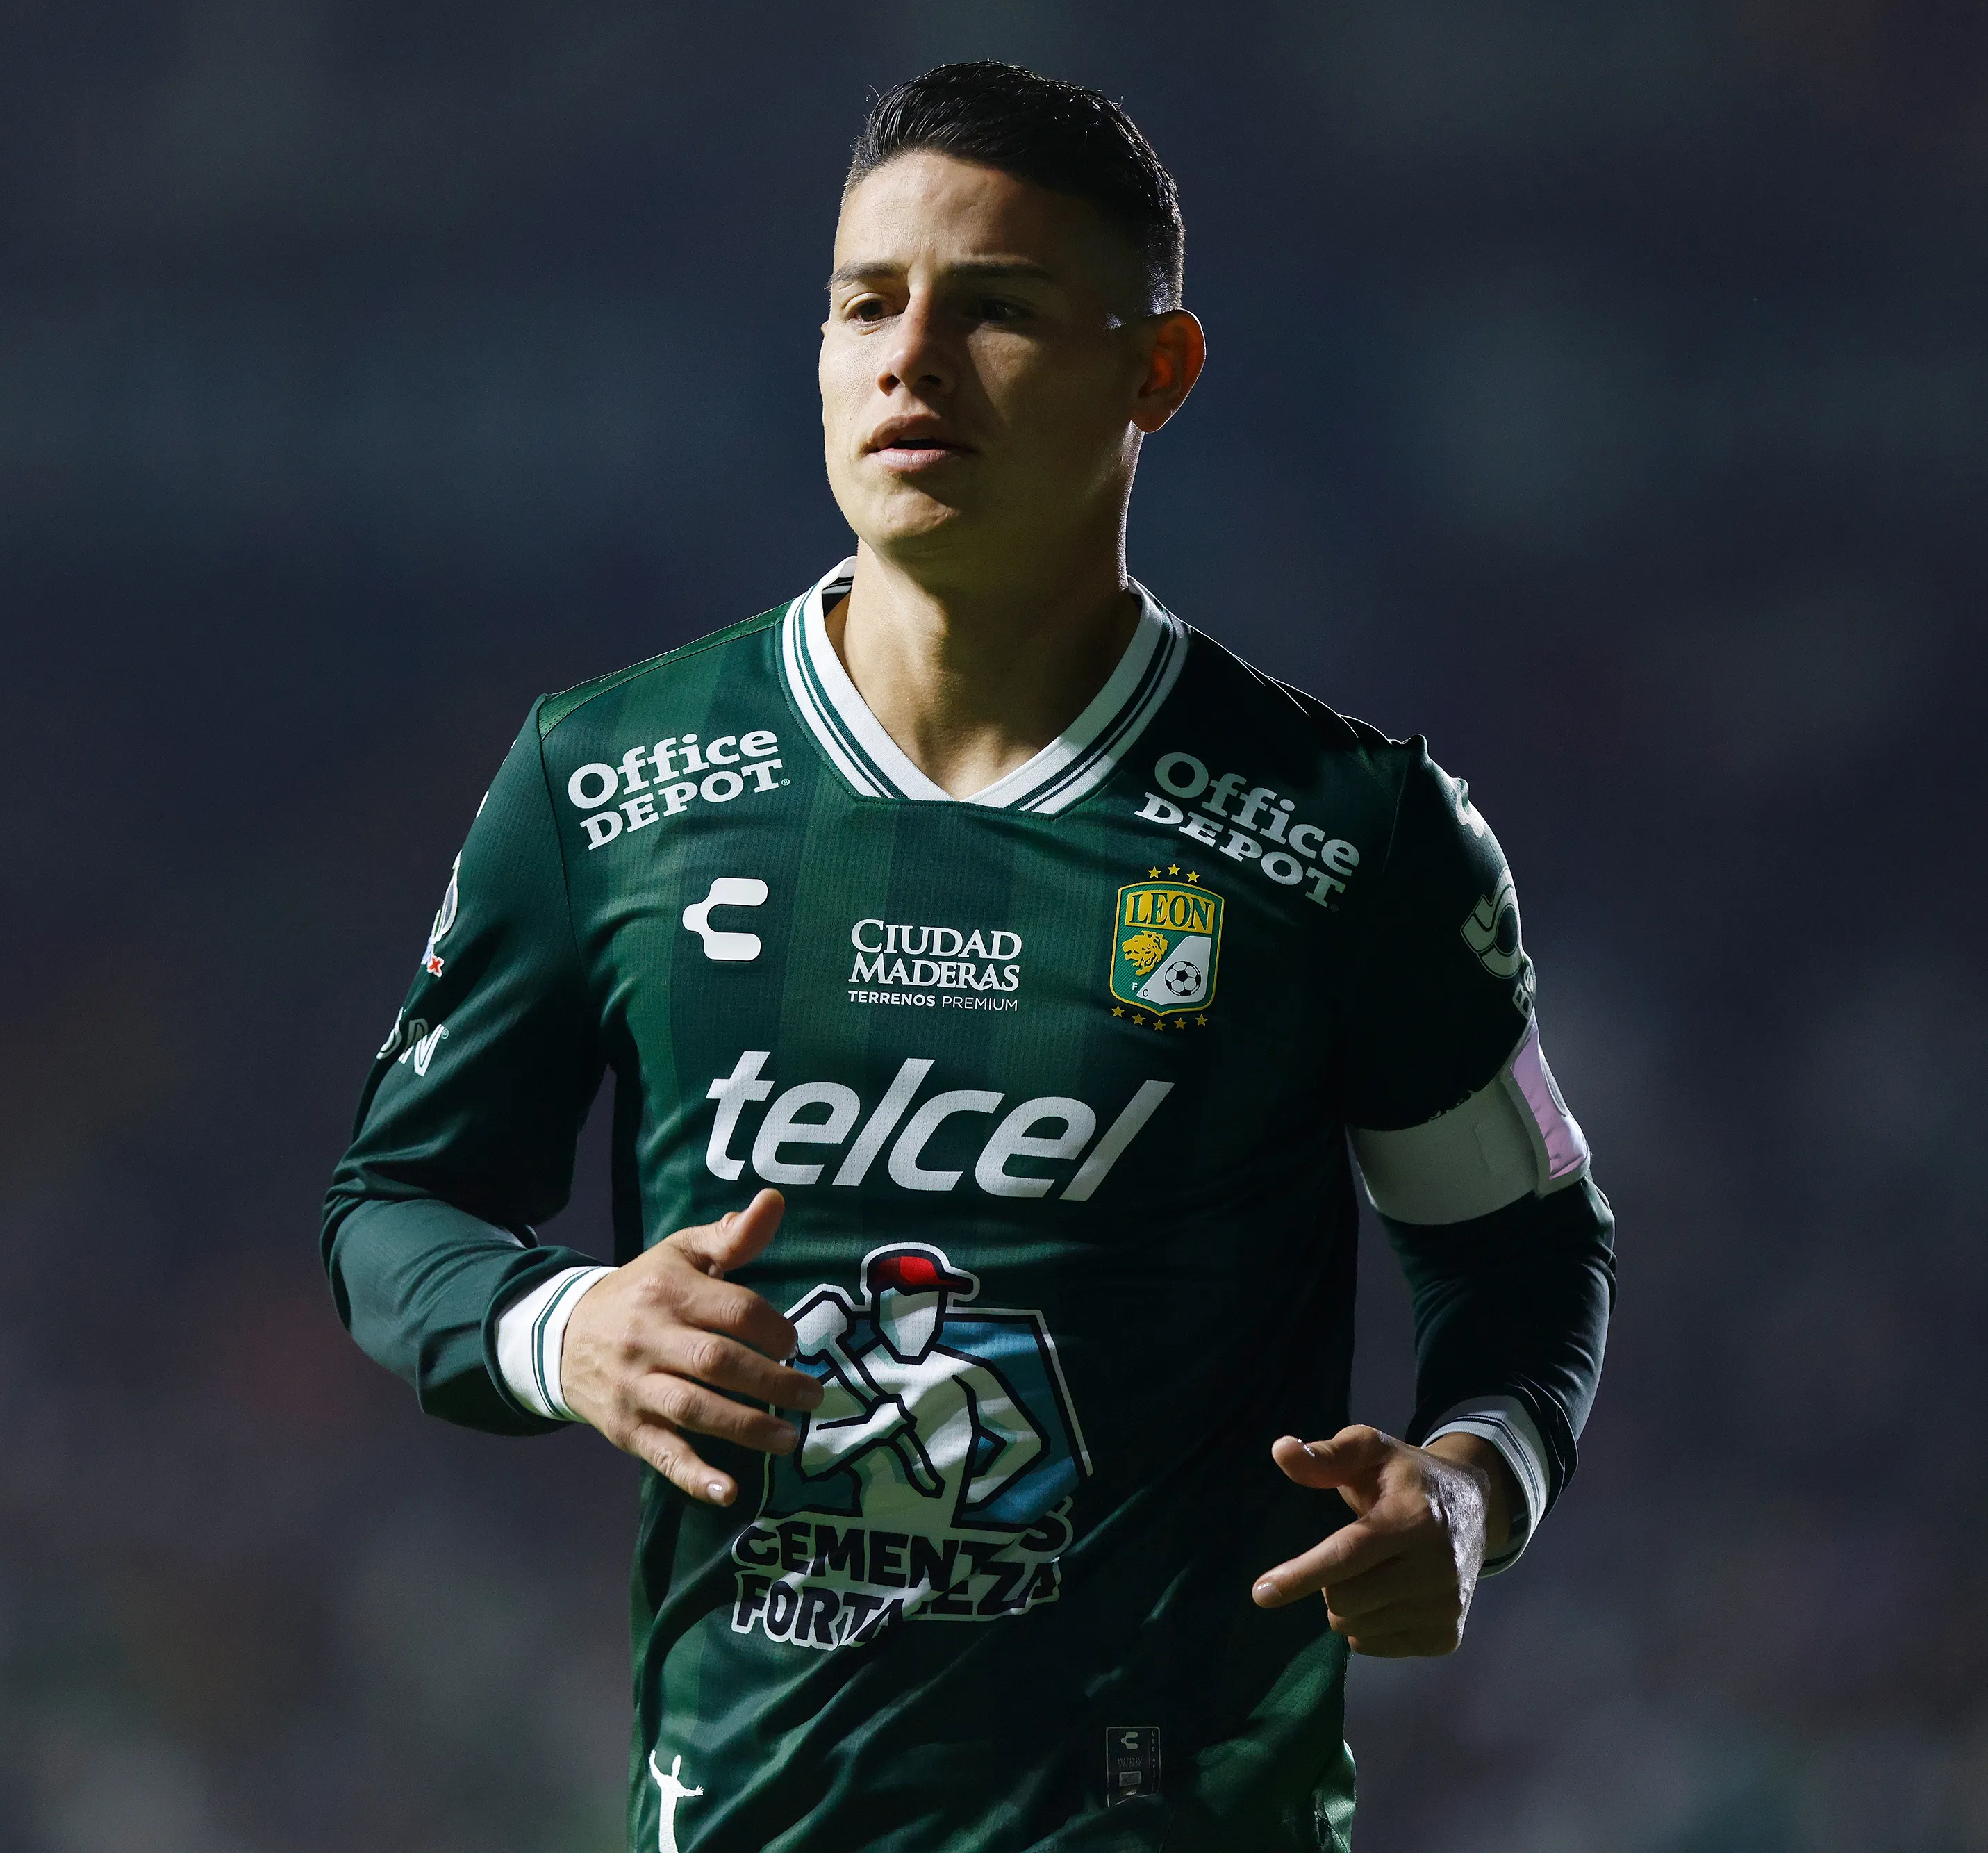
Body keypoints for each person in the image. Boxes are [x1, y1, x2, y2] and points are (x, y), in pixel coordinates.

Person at [324, 60, 1614, 1852]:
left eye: (994, 309)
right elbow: (393, 1211)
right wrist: (565, 1325)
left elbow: (1527, 1261)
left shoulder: (1353, 840)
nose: (911, 360)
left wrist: (1470, 1489)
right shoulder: (607, 784)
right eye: (869, 303)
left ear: (1156, 370)